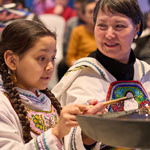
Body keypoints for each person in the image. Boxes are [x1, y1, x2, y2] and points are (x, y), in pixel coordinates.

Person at [52, 0, 150, 149]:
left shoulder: (145, 72)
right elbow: (69, 139)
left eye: (119, 26)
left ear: (136, 28)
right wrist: (90, 129)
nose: (109, 34)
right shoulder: (83, 74)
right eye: (102, 25)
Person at [0, 19, 106, 149]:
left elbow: (66, 144)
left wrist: (89, 129)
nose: (50, 66)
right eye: (42, 58)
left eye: (53, 58)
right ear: (12, 60)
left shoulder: (46, 100)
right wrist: (56, 133)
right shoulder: (3, 103)